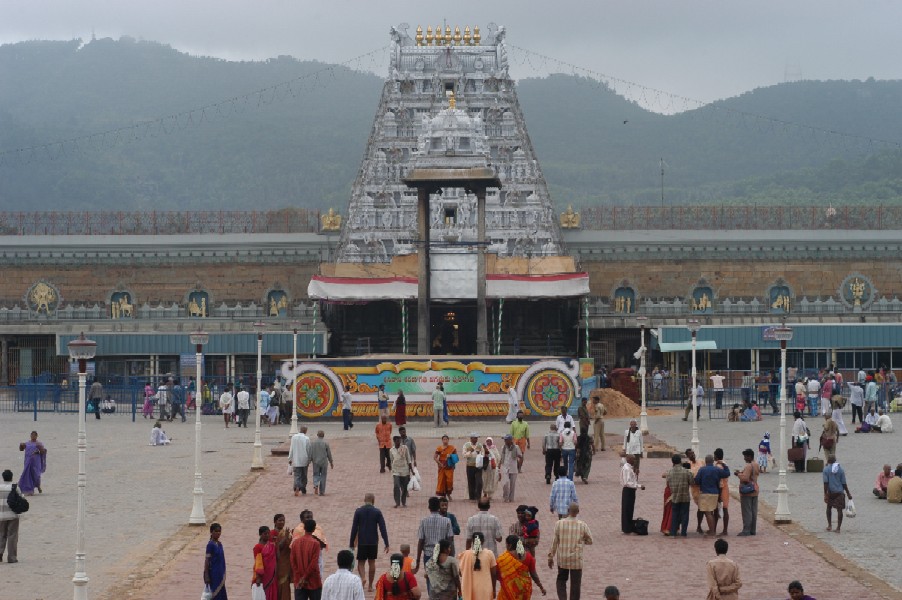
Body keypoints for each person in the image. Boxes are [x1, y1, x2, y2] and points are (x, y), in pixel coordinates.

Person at [547, 502, 592, 600]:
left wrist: (550, 557)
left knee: (561, 580)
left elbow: (554, 542)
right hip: (576, 559)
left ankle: (563, 598)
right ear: (578, 512)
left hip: (563, 559)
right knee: (576, 584)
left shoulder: (559, 523)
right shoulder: (582, 525)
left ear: (568, 511)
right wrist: (581, 541)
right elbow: (590, 540)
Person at [349, 493, 390, 591]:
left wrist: (351, 543)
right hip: (373, 541)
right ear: (373, 500)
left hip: (362, 540)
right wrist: (386, 542)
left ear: (364, 500)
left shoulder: (358, 511)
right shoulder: (377, 512)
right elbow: (382, 528)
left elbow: (354, 528)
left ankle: (363, 578)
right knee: (372, 562)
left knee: (361, 562)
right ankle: (370, 585)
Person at [497, 535, 546, 599]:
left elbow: (497, 574)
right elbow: (534, 574)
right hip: (524, 589)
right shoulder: (528, 556)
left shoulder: (503, 559)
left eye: (506, 544)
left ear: (510, 545)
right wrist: (541, 587)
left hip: (509, 591)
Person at [413, 496, 453, 575]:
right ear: (439, 507)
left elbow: (421, 541)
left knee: (429, 579)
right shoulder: (447, 521)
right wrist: (450, 556)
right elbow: (450, 540)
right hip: (442, 555)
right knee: (442, 579)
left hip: (428, 555)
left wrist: (418, 560)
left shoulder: (424, 521)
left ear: (429, 507)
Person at [695, 455, 730, 536]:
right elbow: (727, 473)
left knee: (708, 513)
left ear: (706, 461)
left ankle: (712, 531)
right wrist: (724, 465)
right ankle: (712, 529)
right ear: (712, 461)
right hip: (715, 493)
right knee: (712, 512)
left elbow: (697, 481)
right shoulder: (717, 469)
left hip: (705, 493)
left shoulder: (702, 470)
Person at [458, 532, 497, 600]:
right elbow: (494, 574)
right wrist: (493, 589)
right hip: (486, 589)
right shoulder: (489, 554)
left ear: (472, 541)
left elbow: (461, 573)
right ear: (483, 541)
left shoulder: (466, 555)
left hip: (470, 590)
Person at [291, 519, 324, 600]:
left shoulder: (295, 543)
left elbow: (292, 561)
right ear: (314, 529)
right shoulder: (316, 544)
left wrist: (300, 577)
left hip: (299, 581)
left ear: (304, 528)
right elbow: (313, 563)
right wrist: (304, 577)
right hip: (313, 581)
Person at [665, 453, 693, 537]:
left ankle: (673, 532)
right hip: (685, 496)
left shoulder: (669, 472)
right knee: (685, 514)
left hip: (674, 496)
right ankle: (683, 532)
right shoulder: (686, 471)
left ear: (672, 462)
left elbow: (668, 484)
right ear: (680, 461)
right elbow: (691, 482)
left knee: (675, 514)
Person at [822, 455, 852, 533]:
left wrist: (825, 494)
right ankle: (838, 528)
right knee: (839, 510)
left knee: (829, 508)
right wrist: (848, 493)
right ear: (835, 461)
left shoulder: (826, 470)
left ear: (828, 461)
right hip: (839, 493)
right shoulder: (840, 470)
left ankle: (829, 525)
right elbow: (844, 483)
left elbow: (826, 483)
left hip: (831, 492)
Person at [735, 448, 759, 536]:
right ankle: (753, 529)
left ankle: (746, 530)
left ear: (749, 456)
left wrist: (738, 474)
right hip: (755, 489)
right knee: (753, 511)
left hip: (747, 491)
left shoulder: (748, 466)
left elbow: (745, 478)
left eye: (745, 456)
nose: (744, 458)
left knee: (747, 511)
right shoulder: (756, 464)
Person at [620, 455, 644, 534]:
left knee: (630, 509)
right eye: (633, 459)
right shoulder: (627, 469)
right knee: (627, 509)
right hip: (628, 490)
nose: (635, 461)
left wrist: (635, 474)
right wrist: (639, 486)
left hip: (631, 490)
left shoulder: (630, 468)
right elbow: (627, 483)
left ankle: (628, 526)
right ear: (629, 459)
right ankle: (626, 528)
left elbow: (632, 480)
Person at [270, 514, 293, 600]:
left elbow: (291, 548)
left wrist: (289, 538)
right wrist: (285, 539)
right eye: (280, 520)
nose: (282, 522)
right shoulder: (271, 534)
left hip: (285, 566)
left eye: (283, 520)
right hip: (274, 566)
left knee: (285, 589)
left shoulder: (286, 533)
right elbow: (274, 548)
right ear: (275, 522)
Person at [17, 431, 47, 495]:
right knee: (27, 474)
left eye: (34, 435)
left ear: (36, 436)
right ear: (30, 436)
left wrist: (37, 452)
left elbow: (43, 451)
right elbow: (21, 449)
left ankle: (38, 486)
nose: (33, 437)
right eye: (32, 435)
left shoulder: (38, 444)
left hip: (36, 462)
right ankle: (29, 489)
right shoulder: (27, 443)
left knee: (36, 475)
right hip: (28, 461)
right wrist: (21, 445)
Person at [253, 525, 278, 600]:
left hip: (272, 574)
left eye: (268, 533)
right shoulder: (257, 547)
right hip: (263, 575)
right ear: (260, 535)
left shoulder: (272, 545)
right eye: (265, 534)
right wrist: (258, 577)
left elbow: (277, 557)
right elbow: (258, 562)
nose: (267, 535)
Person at [204, 523, 227, 600]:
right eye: (216, 531)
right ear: (211, 532)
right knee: (215, 594)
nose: (218, 533)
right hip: (214, 574)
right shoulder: (210, 545)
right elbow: (207, 560)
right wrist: (206, 574)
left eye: (219, 531)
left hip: (220, 573)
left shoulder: (220, 544)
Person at [0, 469, 20, 564]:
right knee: (12, 536)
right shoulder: (15, 487)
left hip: (1, 516)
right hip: (13, 515)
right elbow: (21, 499)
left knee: (1, 535)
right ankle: (12, 557)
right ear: (11, 477)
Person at [390, 436, 413, 508]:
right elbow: (392, 460)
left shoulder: (404, 448)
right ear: (394, 441)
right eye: (397, 441)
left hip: (404, 470)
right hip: (395, 470)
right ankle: (397, 502)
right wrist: (392, 469)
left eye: (399, 441)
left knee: (404, 487)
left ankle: (403, 502)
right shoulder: (391, 450)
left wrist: (411, 470)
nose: (399, 442)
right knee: (396, 486)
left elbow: (408, 459)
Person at [309, 430, 334, 496]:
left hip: (315, 462)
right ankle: (322, 491)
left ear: (317, 435)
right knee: (323, 476)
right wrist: (331, 462)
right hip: (323, 462)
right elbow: (329, 453)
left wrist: (309, 460)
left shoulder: (313, 443)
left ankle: (316, 484)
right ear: (323, 435)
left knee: (315, 474)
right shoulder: (325, 443)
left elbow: (310, 453)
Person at [288, 426, 311, 496]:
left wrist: (290, 458)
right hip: (304, 459)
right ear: (306, 431)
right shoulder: (306, 438)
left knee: (297, 475)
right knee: (304, 475)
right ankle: (303, 487)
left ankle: (297, 487)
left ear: (300, 430)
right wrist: (309, 459)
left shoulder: (294, 437)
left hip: (296, 459)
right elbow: (309, 449)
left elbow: (291, 448)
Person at [499, 434, 523, 502]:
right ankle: (505, 497)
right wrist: (499, 466)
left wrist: (519, 466)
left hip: (513, 467)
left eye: (506, 440)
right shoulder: (503, 447)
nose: (505, 441)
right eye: (504, 440)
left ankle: (511, 498)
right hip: (505, 467)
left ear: (510, 440)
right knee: (505, 483)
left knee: (512, 485)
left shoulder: (516, 447)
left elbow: (520, 457)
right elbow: (501, 457)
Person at [712, 448, 730, 536]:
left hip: (721, 489)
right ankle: (724, 529)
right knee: (725, 509)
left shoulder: (718, 466)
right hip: (726, 488)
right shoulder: (725, 463)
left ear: (716, 456)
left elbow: (720, 481)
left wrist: (718, 494)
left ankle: (715, 529)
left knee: (717, 510)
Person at [463, 433, 485, 501]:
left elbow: (483, 454)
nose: (475, 439)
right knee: (471, 481)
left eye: (476, 438)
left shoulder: (480, 445)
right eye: (474, 438)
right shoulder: (466, 445)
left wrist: (479, 453)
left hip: (478, 466)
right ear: (471, 438)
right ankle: (472, 497)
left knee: (479, 482)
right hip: (470, 465)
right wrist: (470, 451)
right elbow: (464, 455)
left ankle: (478, 496)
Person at [435, 435, 457, 499]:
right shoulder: (439, 448)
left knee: (449, 481)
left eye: (446, 439)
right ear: (442, 440)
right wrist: (439, 463)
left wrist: (450, 456)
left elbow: (456, 457)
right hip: (442, 466)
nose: (445, 441)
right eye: (444, 439)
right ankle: (442, 495)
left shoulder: (452, 448)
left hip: (449, 466)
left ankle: (448, 493)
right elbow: (435, 457)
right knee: (441, 480)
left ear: (448, 440)